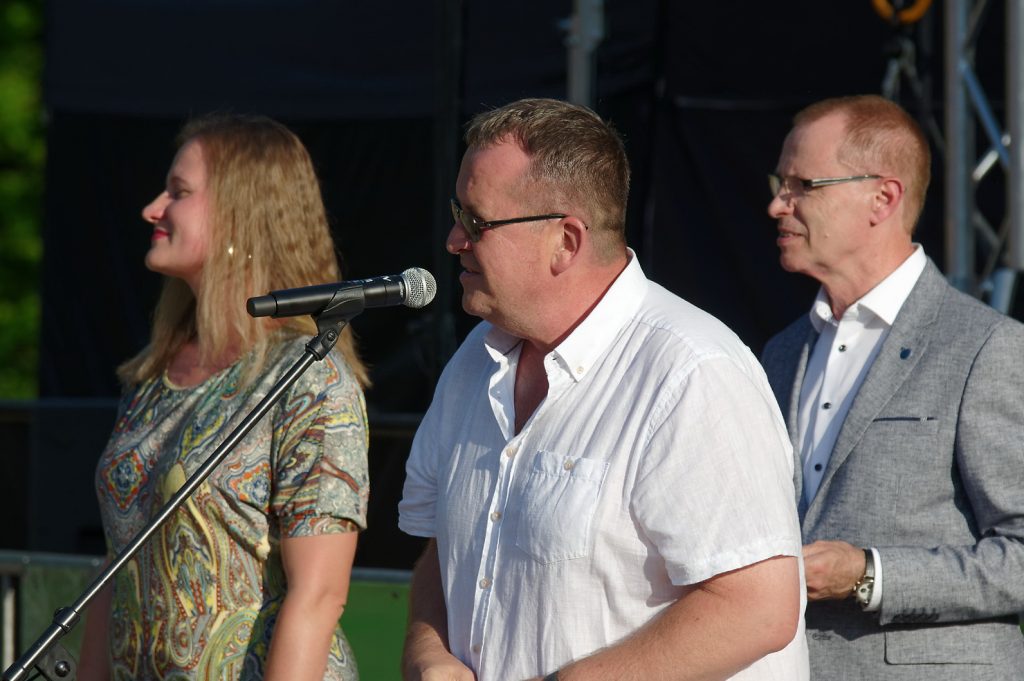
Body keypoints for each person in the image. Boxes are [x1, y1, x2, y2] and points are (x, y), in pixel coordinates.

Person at [398, 97, 808, 681]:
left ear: (566, 241)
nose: (454, 239)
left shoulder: (692, 372)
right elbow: (448, 553)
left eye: (477, 221)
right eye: (456, 213)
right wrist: (428, 652)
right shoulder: (473, 363)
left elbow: (758, 608)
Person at [78, 114, 370, 681]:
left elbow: (317, 596)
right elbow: (116, 567)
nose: (153, 209)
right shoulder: (152, 375)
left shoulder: (309, 376)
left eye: (179, 192)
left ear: (241, 213)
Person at [761, 94, 1024, 679]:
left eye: (803, 185)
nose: (778, 204)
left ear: (883, 198)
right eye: (780, 183)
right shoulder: (781, 354)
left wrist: (870, 574)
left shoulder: (985, 347)